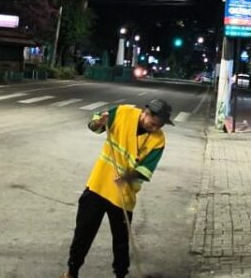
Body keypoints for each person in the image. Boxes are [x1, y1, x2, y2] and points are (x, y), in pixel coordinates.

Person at [60, 99, 173, 278]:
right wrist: (99, 122)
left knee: (121, 242)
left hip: (123, 195)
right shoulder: (122, 112)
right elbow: (94, 124)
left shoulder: (158, 140)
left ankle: (121, 274)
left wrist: (127, 177)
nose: (155, 128)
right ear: (145, 113)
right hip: (98, 186)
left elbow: (146, 168)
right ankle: (71, 272)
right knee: (83, 233)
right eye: (153, 124)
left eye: (159, 126)